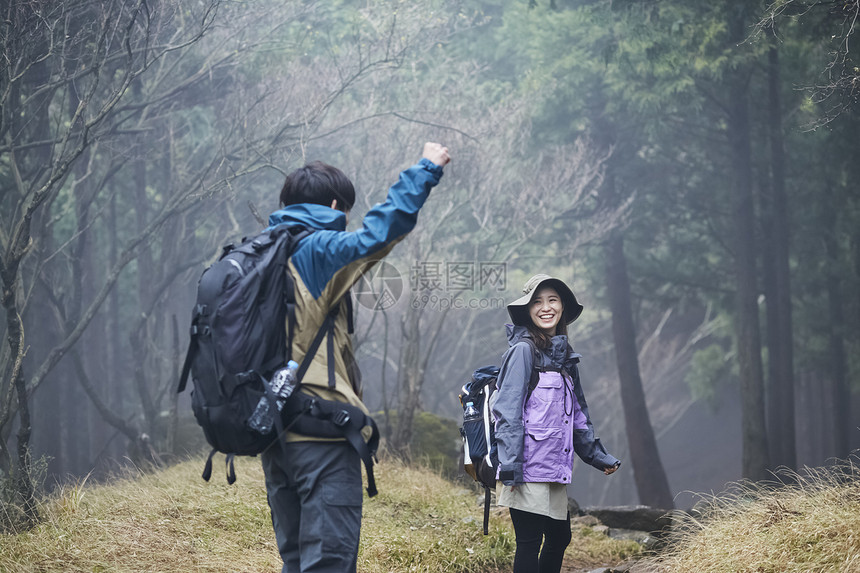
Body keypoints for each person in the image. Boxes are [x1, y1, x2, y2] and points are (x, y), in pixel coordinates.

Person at [261, 143, 451, 573]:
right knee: (328, 564)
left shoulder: (261, 252)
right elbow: (378, 234)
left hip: (272, 433)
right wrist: (425, 170)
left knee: (296, 561)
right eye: (344, 209)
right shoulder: (317, 250)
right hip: (321, 434)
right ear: (334, 206)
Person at [491, 274, 620, 573]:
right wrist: (511, 467)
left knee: (560, 537)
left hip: (551, 469)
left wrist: (596, 456)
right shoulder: (523, 351)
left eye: (552, 300)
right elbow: (507, 411)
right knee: (529, 541)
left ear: (562, 307)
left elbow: (577, 415)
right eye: (537, 301)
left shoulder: (564, 359)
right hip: (525, 468)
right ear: (527, 310)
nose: (545, 307)